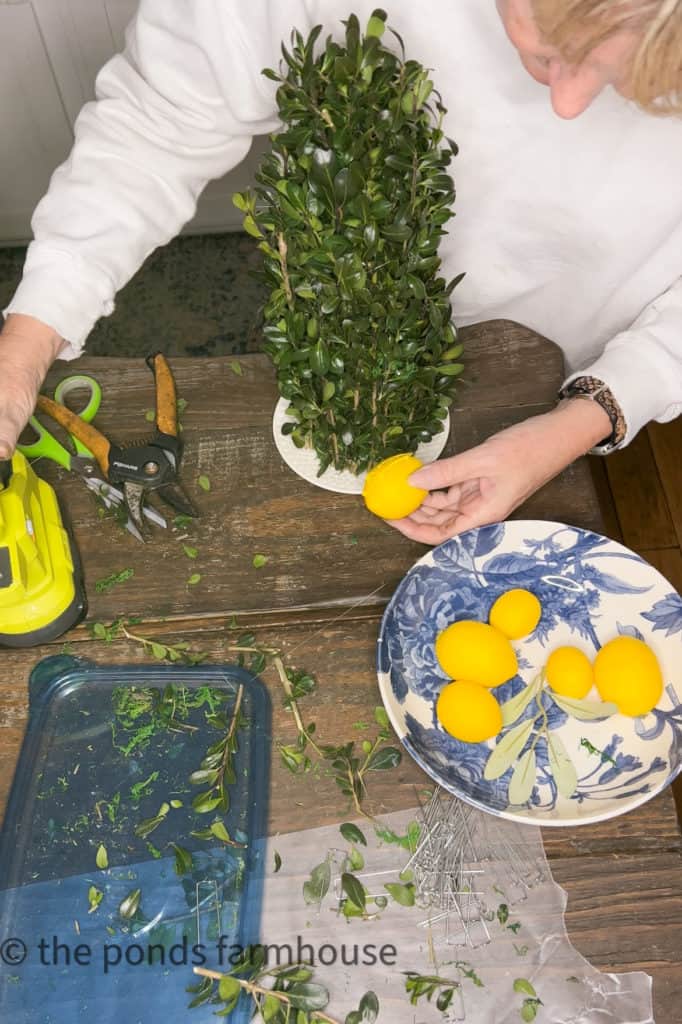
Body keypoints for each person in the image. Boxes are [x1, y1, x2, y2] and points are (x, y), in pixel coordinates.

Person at [1, 0, 681, 544]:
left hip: (572, 359)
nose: (567, 102)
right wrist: (29, 341)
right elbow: (158, 125)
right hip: (359, 322)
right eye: (548, 49)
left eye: (634, 88)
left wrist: (588, 414)